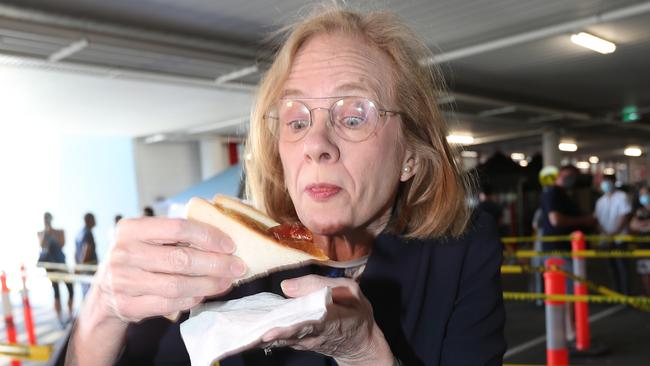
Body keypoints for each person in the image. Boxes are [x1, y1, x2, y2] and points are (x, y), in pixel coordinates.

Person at [68, 6, 506, 365]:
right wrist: (102, 311)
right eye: (297, 120)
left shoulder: (462, 253)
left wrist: (363, 353)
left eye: (354, 116)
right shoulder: (223, 261)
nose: (316, 144)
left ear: (409, 156)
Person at [594, 174, 632, 294]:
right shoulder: (600, 201)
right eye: (604, 182)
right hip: (606, 239)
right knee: (611, 268)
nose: (606, 185)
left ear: (614, 182)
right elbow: (597, 220)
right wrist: (606, 234)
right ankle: (615, 292)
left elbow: (624, 216)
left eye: (608, 182)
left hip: (620, 238)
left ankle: (626, 293)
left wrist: (615, 232)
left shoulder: (622, 197)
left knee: (622, 267)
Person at [37, 212, 74, 326]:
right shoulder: (41, 233)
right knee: (56, 292)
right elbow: (42, 245)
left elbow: (62, 243)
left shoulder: (59, 231)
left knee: (70, 290)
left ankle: (70, 314)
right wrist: (46, 232)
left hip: (61, 265)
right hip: (51, 268)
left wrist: (51, 233)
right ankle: (59, 318)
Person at [630, 184, 650, 295]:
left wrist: (642, 225)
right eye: (641, 194)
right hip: (643, 247)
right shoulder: (639, 212)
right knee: (645, 275)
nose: (644, 196)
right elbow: (633, 226)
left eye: (646, 194)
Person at [75, 213, 98, 297]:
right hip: (89, 268)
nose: (96, 221)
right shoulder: (87, 233)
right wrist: (82, 265)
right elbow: (87, 249)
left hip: (83, 269)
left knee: (86, 294)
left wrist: (78, 266)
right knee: (91, 294)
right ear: (88, 220)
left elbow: (75, 253)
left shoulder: (79, 234)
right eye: (94, 219)